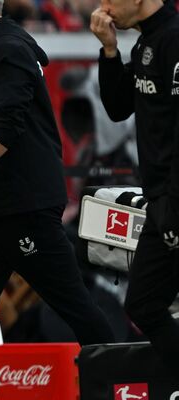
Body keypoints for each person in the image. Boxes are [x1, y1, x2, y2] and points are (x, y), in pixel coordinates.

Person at [0, 0, 116, 384]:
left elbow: (5, 131)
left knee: (76, 308)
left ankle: (123, 382)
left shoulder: (11, 49)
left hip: (24, 209)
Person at [91, 0, 179, 375]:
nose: (104, 6)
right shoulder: (145, 42)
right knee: (143, 303)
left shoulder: (173, 39)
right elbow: (117, 107)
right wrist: (110, 51)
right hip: (160, 200)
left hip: (173, 199)